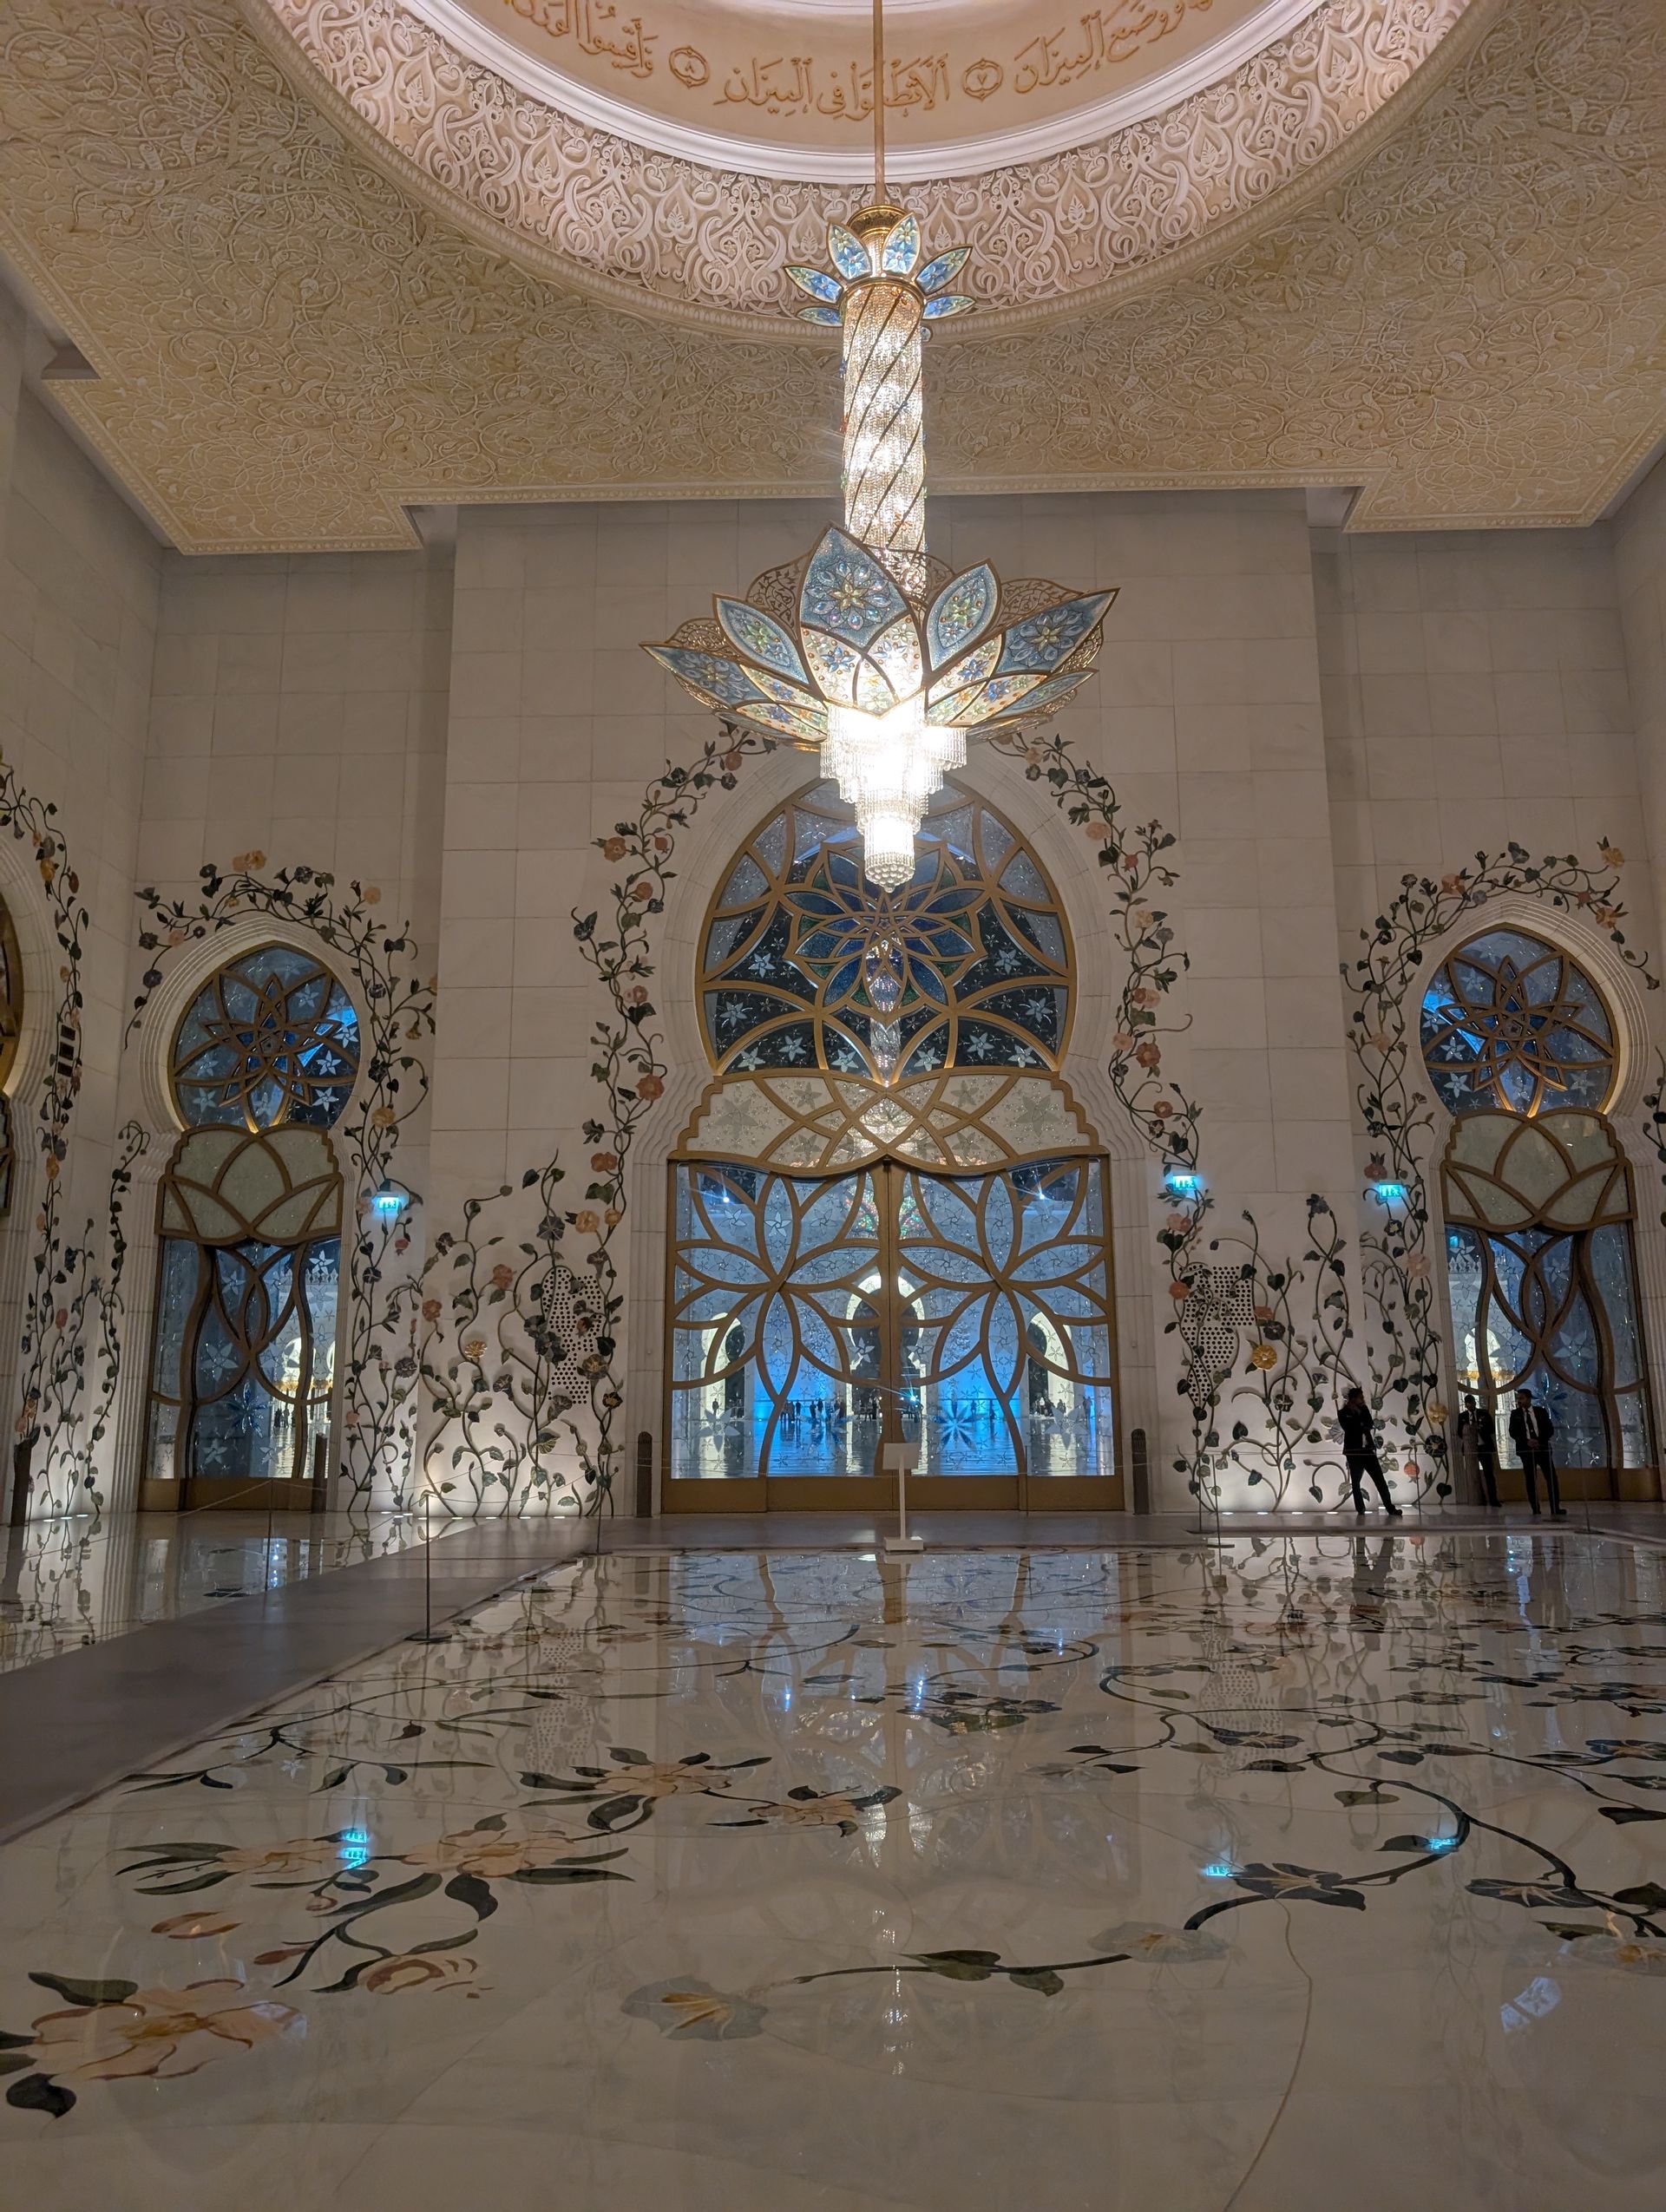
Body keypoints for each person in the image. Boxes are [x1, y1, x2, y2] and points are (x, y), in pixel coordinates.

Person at [1338, 1386, 1402, 1516]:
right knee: (1356, 1482)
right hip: (1354, 1452)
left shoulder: (1364, 1409)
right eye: (1361, 1397)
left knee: (1380, 1480)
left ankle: (1390, 1508)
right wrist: (1360, 1422)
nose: (1363, 1400)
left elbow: (1369, 1424)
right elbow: (1349, 1428)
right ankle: (1360, 1510)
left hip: (1367, 1450)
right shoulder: (1343, 1412)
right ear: (1354, 1398)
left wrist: (1361, 1418)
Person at [1507, 1387, 1565, 1517]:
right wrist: (1527, 1441)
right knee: (1530, 1479)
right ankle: (1535, 1508)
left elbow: (1549, 1429)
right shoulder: (1515, 1414)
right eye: (1518, 1398)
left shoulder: (1541, 1412)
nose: (1519, 1401)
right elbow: (1513, 1432)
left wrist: (1539, 1441)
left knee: (1551, 1478)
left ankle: (1555, 1507)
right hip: (1526, 1452)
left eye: (1522, 1398)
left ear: (1528, 1399)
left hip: (1542, 1449)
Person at [1456, 1392, 1500, 1508]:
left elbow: (1491, 1429)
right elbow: (1459, 1432)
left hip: (1484, 1447)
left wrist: (1480, 1428)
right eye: (1467, 1404)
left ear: (1475, 1403)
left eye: (1471, 1403)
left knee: (1488, 1474)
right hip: (1470, 1449)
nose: (1469, 1406)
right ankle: (1480, 1499)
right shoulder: (1462, 1416)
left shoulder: (1483, 1413)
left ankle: (1493, 1499)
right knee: (1473, 1474)